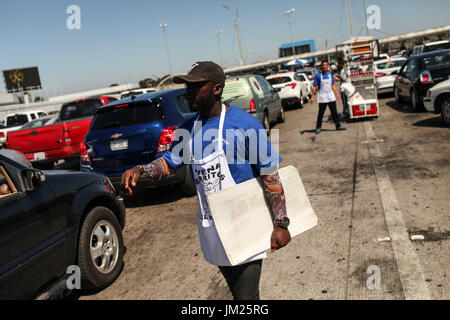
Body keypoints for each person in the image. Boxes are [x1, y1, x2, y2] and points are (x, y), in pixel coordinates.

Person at [121, 61, 291, 300]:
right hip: (213, 230)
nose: (187, 92)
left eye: (195, 86)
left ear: (216, 89)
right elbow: (168, 162)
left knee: (246, 298)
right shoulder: (188, 129)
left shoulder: (245, 124)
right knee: (236, 293)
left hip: (246, 224)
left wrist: (281, 223)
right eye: (186, 87)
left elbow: (270, 175)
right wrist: (141, 170)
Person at [310, 61, 346, 134]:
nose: (325, 66)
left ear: (328, 66)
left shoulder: (330, 75)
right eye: (323, 65)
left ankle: (338, 125)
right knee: (321, 113)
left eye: (326, 65)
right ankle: (318, 127)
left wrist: (337, 94)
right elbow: (314, 87)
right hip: (322, 97)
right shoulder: (318, 76)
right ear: (321, 66)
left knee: (334, 112)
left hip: (330, 96)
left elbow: (333, 85)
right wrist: (312, 97)